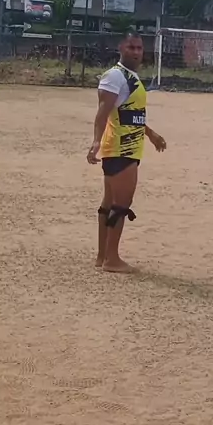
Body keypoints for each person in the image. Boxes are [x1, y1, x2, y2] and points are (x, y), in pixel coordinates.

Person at [87, 31, 166, 273]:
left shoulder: (130, 77)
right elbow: (103, 112)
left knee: (110, 203)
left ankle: (103, 256)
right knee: (120, 205)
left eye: (139, 48)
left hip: (127, 145)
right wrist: (96, 141)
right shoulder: (116, 75)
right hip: (122, 147)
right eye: (131, 47)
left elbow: (130, 114)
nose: (136, 52)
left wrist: (150, 134)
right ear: (121, 47)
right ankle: (112, 259)